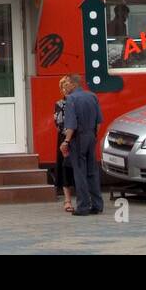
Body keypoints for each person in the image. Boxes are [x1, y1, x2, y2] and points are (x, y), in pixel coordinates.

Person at [60, 74, 103, 216]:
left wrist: (66, 141)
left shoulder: (71, 99)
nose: (66, 86)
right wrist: (93, 136)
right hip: (91, 135)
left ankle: (83, 206)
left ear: (74, 84)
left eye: (68, 83)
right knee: (92, 171)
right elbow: (99, 121)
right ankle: (97, 205)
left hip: (78, 138)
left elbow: (71, 124)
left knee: (79, 172)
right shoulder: (92, 96)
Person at [53, 77, 76, 213]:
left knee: (78, 168)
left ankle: (84, 198)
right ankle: (67, 200)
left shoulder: (79, 101)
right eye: (63, 87)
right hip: (64, 138)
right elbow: (59, 123)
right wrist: (67, 137)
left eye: (68, 86)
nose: (66, 89)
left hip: (77, 138)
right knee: (65, 167)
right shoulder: (60, 104)